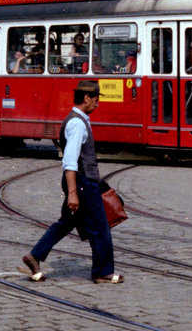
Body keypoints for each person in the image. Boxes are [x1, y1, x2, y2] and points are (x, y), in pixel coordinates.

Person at [19, 80, 122, 284]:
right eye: (95, 99)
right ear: (86, 98)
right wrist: (73, 192)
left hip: (82, 182)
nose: (97, 104)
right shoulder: (76, 123)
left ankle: (34, 257)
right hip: (82, 183)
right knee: (100, 227)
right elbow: (70, 161)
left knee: (67, 223)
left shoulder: (79, 120)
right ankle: (102, 271)